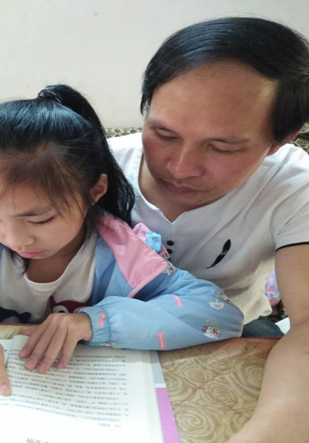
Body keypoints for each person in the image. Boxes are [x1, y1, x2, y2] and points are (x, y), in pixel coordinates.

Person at [0, 85, 243, 395]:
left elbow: (218, 314)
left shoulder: (126, 257)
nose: (15, 238)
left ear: (95, 191)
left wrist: (94, 322)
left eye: (39, 219)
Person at [109, 17, 309, 443]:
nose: (181, 168)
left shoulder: (295, 187)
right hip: (102, 326)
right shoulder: (93, 169)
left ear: (281, 140)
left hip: (232, 331)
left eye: (221, 147)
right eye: (163, 133)